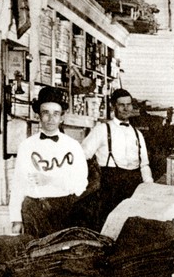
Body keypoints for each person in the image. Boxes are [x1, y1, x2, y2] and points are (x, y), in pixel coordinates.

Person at [8, 86, 88, 238]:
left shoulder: (73, 146)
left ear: (62, 117)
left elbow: (81, 184)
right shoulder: (26, 146)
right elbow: (18, 184)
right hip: (33, 210)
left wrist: (51, 179)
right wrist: (16, 219)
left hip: (64, 210)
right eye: (46, 113)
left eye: (56, 114)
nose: (51, 119)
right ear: (38, 115)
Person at [82, 88, 154, 228]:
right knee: (108, 224)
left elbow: (144, 164)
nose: (126, 108)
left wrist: (149, 185)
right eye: (121, 105)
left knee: (131, 226)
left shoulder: (137, 133)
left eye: (129, 104)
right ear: (113, 106)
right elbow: (83, 155)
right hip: (110, 185)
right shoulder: (102, 129)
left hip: (133, 184)